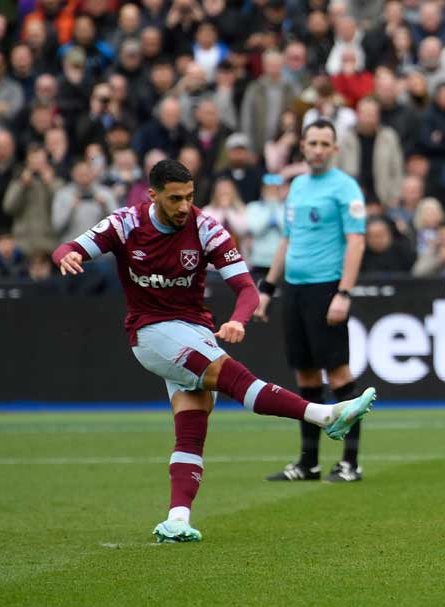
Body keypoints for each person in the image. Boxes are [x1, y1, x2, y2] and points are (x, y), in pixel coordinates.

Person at [51, 158, 375, 542]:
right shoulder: (125, 222)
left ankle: (177, 519)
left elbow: (247, 289)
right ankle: (324, 415)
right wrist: (67, 256)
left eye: (189, 197)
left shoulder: (205, 227)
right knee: (229, 374)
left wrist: (238, 319)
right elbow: (67, 247)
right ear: (152, 195)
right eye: (175, 198)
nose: (184, 206)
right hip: (151, 333)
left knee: (192, 427)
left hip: (194, 331)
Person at [255, 119, 369, 483]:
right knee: (304, 372)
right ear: (302, 146)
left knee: (338, 373)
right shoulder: (298, 187)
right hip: (295, 289)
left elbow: (356, 242)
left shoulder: (345, 187)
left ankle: (351, 462)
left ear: (335, 149)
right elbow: (287, 241)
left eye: (325, 143)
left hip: (326, 289)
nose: (318, 149)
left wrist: (344, 293)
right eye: (313, 142)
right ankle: (309, 463)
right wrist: (267, 289)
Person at [245, 174, 287, 276]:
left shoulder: (287, 207)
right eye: (269, 189)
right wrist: (270, 208)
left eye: (276, 189)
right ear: (263, 190)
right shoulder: (253, 207)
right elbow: (256, 229)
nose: (272, 192)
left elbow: (286, 229)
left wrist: (275, 206)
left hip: (281, 260)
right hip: (259, 260)